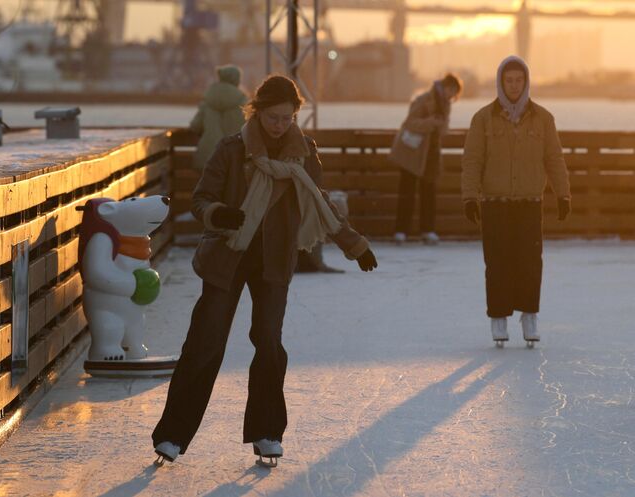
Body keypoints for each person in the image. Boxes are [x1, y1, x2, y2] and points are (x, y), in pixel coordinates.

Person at [152, 75, 378, 467]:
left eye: (287, 118)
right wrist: (219, 214)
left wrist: (354, 245)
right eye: (272, 117)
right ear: (256, 112)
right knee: (206, 342)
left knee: (269, 343)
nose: (279, 125)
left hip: (274, 260)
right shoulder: (231, 149)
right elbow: (201, 199)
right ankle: (172, 435)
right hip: (227, 256)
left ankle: (267, 432)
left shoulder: (303, 154)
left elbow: (319, 201)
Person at [461, 55, 571, 347]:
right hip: (495, 202)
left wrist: (563, 193)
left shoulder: (543, 118)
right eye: (508, 80)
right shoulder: (482, 118)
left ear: (526, 82)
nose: (513, 85)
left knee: (530, 261)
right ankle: (498, 317)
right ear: (500, 82)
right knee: (497, 262)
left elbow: (554, 158)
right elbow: (473, 160)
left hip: (529, 202)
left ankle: (529, 314)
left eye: (518, 80)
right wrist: (470, 197)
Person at [389, 73, 463, 245]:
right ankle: (401, 231)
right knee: (407, 193)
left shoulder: (446, 105)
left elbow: (443, 129)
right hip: (412, 153)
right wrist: (430, 122)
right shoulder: (423, 99)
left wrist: (440, 126)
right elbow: (409, 123)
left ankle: (427, 230)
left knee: (428, 193)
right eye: (451, 91)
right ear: (445, 87)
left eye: (454, 94)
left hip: (431, 154)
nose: (452, 96)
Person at [189, 64, 247, 170]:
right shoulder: (243, 102)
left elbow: (195, 126)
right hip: (234, 157)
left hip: (208, 156)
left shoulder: (207, 100)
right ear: (237, 80)